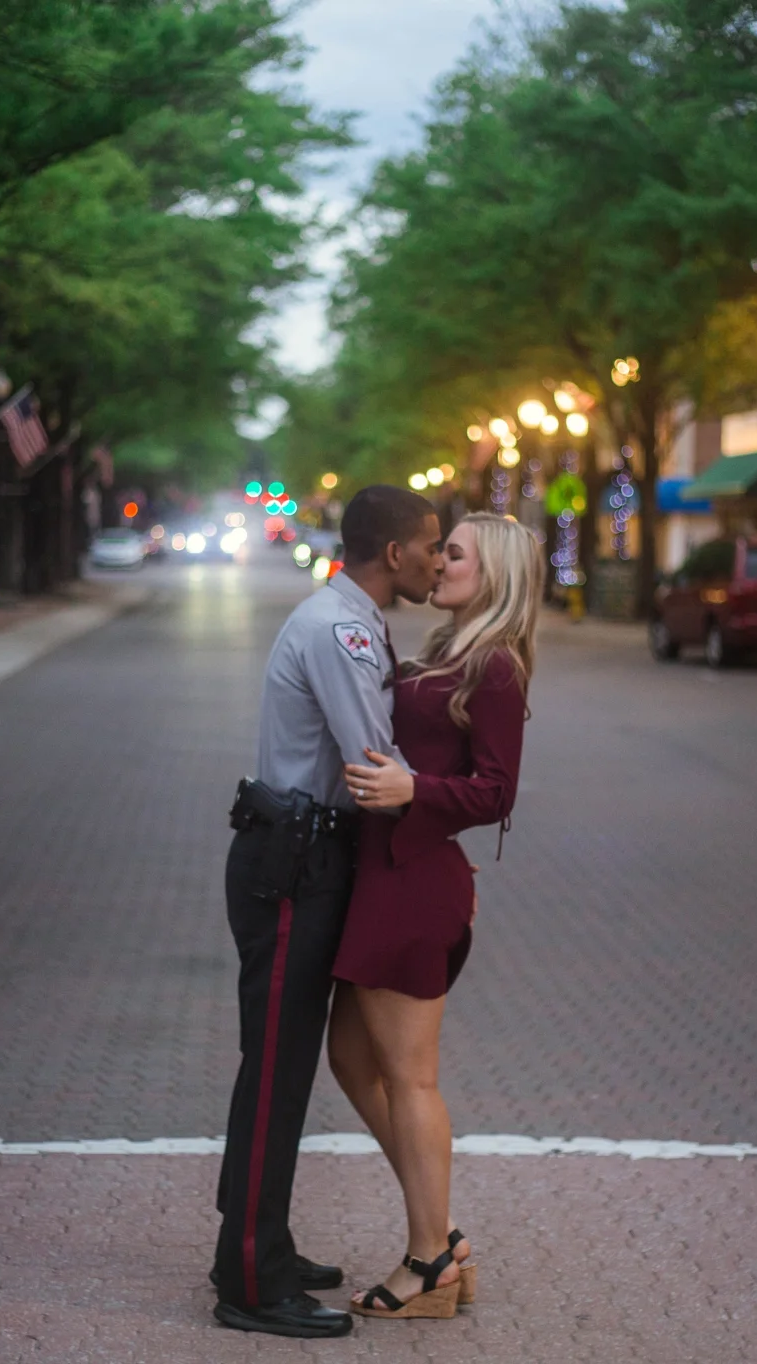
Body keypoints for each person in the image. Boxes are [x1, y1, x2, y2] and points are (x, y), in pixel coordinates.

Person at [212, 484, 443, 1340]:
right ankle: (249, 1279)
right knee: (274, 1077)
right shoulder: (341, 629)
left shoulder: (348, 617)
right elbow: (372, 764)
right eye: (431, 545)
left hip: (304, 859)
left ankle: (258, 1242)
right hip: (296, 864)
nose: (436, 557)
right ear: (393, 554)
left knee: (283, 1071)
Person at [330, 512, 542, 1321]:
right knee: (350, 1056)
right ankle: (443, 1233)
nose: (437, 560)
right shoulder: (442, 650)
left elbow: (497, 791)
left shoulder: (492, 666)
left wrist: (415, 790)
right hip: (387, 876)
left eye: (453, 552)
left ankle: (427, 1262)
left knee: (410, 1077)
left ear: (493, 572)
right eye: (440, 548)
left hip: (417, 882)